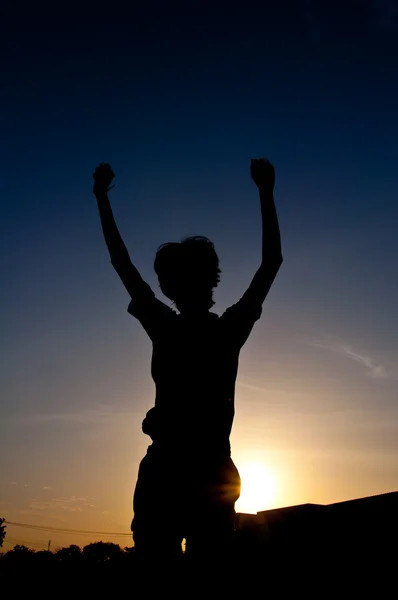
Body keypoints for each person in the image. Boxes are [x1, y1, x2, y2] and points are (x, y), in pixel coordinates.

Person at [93, 158, 283, 560]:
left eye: (168, 278)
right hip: (201, 472)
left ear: (174, 284)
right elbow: (271, 265)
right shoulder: (222, 330)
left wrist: (101, 199)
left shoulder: (169, 326)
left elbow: (120, 263)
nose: (163, 283)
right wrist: (265, 191)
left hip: (180, 472)